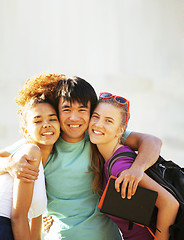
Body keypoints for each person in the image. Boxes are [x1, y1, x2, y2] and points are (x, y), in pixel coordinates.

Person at [0, 74, 162, 239]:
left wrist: (137, 168)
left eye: (82, 110)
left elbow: (152, 142)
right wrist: (9, 164)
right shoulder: (46, 139)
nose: (74, 117)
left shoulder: (96, 135)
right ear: (57, 111)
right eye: (67, 110)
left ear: (91, 112)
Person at [88, 92, 179, 240]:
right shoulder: (109, 157)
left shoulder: (120, 167)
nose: (98, 124)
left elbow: (169, 204)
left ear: (120, 130)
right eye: (96, 116)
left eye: (108, 121)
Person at [0, 80, 61, 240]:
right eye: (37, 120)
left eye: (52, 119)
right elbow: (18, 217)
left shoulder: (46, 168)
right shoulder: (30, 151)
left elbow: (35, 232)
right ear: (26, 130)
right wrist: (8, 164)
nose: (46, 124)